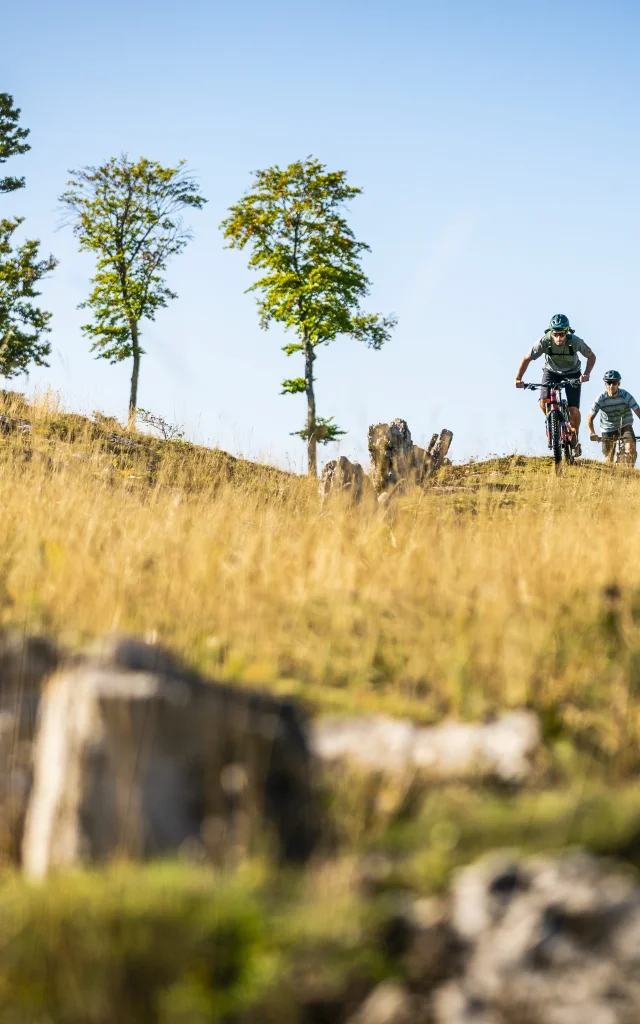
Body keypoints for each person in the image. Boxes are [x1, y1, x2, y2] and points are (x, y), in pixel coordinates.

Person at [514, 313, 596, 455]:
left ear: (567, 332)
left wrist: (586, 374)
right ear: (551, 332)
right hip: (551, 372)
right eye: (556, 334)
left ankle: (574, 433)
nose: (558, 338)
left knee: (573, 410)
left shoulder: (575, 342)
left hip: (573, 372)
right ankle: (554, 421)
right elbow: (526, 359)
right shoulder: (544, 342)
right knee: (542, 402)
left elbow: (591, 356)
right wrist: (518, 378)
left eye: (562, 334)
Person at [587, 370, 640, 467]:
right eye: (609, 383)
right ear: (605, 384)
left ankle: (630, 473)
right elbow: (590, 418)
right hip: (608, 428)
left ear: (618, 383)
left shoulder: (626, 396)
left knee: (631, 449)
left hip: (625, 425)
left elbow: (638, 412)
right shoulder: (600, 398)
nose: (612, 386)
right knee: (609, 459)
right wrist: (592, 432)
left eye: (614, 383)